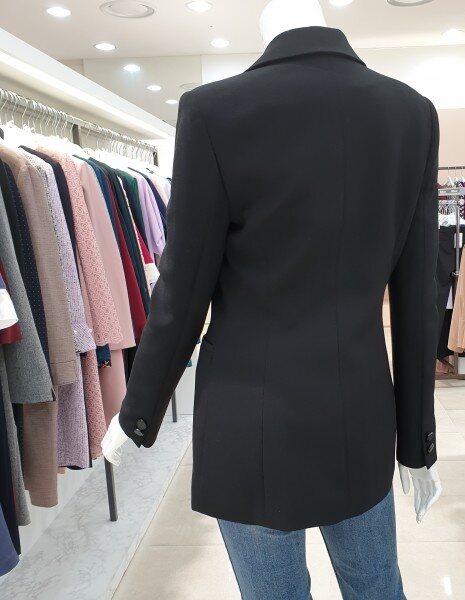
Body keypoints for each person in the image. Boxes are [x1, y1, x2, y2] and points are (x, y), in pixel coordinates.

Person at [102, 1, 442, 597]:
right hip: (358, 415)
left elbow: (184, 288)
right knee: (377, 587)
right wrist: (417, 444)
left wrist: (138, 412)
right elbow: (418, 295)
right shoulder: (410, 114)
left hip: (248, 419)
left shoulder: (212, 112)